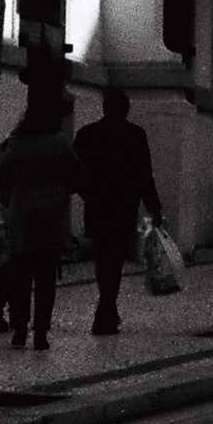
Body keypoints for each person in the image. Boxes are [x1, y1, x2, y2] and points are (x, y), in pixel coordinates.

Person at [0, 96, 85, 350]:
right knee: (46, 280)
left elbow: (1, 178)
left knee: (21, 278)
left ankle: (20, 328)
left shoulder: (17, 144)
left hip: (22, 219)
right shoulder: (60, 143)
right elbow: (79, 176)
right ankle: (41, 332)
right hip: (51, 220)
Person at [73, 87, 164, 337]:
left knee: (103, 258)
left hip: (97, 206)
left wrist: (87, 193)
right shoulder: (135, 135)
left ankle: (107, 310)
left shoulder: (87, 134)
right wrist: (154, 207)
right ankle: (106, 311)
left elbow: (75, 171)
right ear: (126, 110)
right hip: (124, 207)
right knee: (115, 259)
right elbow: (145, 175)